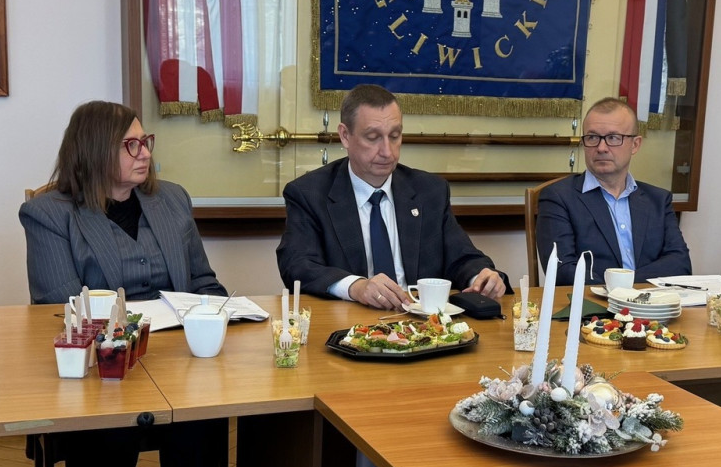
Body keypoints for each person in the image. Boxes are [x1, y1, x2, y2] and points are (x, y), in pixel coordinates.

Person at [20, 100, 227, 467]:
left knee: (204, 417)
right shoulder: (49, 213)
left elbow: (203, 282)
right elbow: (58, 307)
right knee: (107, 432)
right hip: (103, 370)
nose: (145, 153)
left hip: (178, 362)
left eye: (146, 141)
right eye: (131, 145)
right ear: (95, 150)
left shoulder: (173, 199)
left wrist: (220, 313)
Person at [276, 84, 508, 309]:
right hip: (350, 323)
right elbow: (297, 265)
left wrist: (481, 276)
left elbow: (462, 257)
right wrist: (356, 287)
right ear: (345, 136)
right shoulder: (309, 194)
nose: (387, 151)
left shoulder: (429, 191)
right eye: (373, 137)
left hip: (422, 324)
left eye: (395, 136)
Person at [536, 97, 692, 283]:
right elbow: (562, 272)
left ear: (635, 145)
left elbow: (680, 264)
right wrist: (622, 289)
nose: (601, 148)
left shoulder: (658, 200)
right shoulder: (558, 198)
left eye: (613, 138)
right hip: (593, 300)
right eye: (592, 138)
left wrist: (626, 285)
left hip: (652, 300)